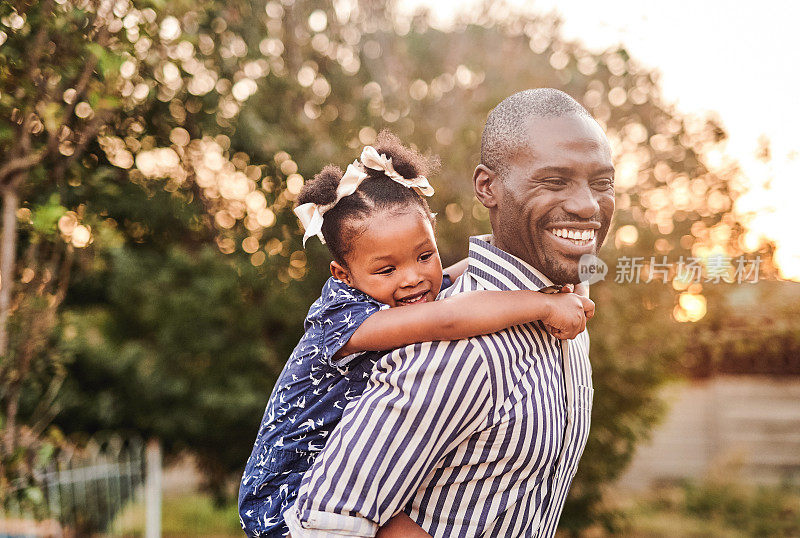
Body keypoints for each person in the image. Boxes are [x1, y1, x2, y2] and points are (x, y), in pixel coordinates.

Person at [285, 88, 615, 537]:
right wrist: (543, 300)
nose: (587, 205)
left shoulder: (563, 312)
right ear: (487, 187)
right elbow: (323, 524)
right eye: (554, 181)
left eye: (601, 183)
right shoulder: (455, 348)